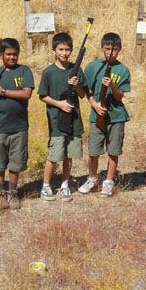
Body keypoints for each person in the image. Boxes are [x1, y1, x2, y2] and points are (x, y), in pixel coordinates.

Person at [0, 38, 35, 210]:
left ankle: (12, 192)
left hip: (19, 126)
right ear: (1, 55)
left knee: (15, 162)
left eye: (15, 54)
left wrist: (2, 91)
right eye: (8, 54)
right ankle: (0, 193)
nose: (12, 57)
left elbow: (26, 94)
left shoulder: (24, 71)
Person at [78, 33, 131, 198]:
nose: (110, 53)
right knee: (93, 151)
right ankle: (92, 178)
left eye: (114, 50)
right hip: (96, 115)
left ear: (119, 50)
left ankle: (108, 181)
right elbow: (87, 90)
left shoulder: (123, 70)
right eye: (107, 49)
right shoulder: (93, 67)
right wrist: (94, 104)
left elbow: (119, 97)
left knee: (113, 150)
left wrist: (113, 86)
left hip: (116, 116)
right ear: (102, 48)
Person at [37, 32, 87, 201]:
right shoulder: (48, 72)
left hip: (74, 120)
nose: (64, 53)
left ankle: (65, 185)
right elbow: (42, 96)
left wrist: (77, 85)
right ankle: (46, 186)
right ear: (53, 50)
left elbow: (82, 95)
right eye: (60, 49)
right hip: (57, 121)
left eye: (67, 50)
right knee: (54, 155)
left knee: (68, 155)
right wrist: (60, 104)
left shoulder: (76, 70)